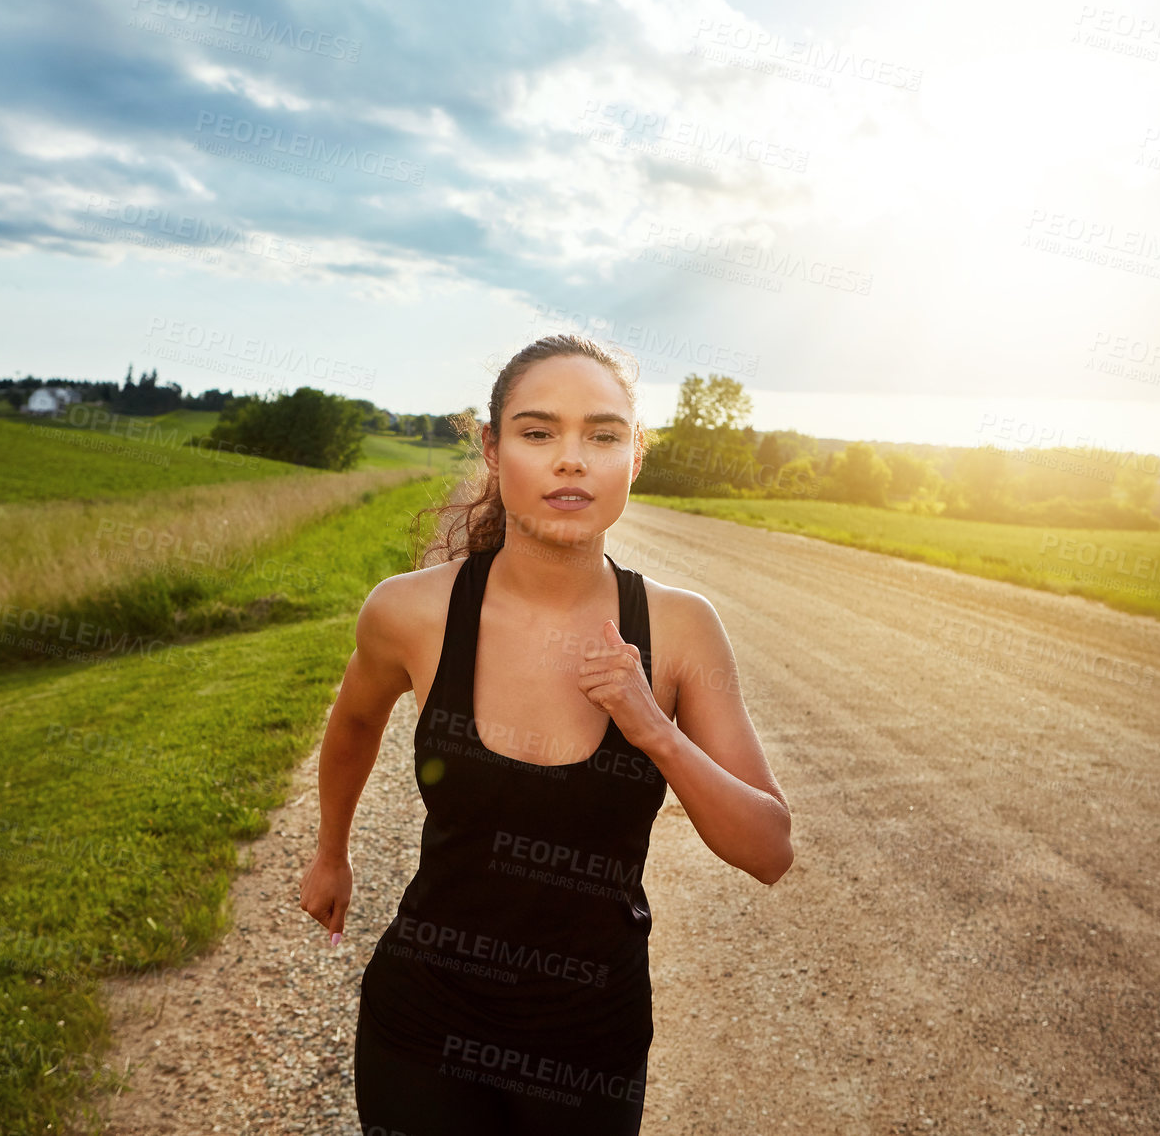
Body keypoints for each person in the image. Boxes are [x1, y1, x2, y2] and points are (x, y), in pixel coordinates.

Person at [300, 333, 794, 1133]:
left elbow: (769, 850)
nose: (572, 459)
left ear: (633, 459)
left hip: (586, 1044)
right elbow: (353, 721)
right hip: (422, 1020)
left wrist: (653, 730)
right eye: (538, 433)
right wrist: (331, 852)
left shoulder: (679, 629)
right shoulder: (410, 611)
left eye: (602, 435)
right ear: (493, 452)